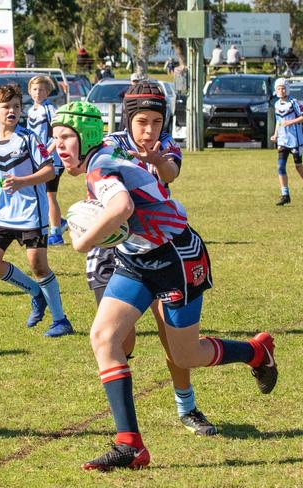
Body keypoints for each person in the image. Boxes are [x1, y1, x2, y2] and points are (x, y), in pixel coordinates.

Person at [52, 101, 278, 470]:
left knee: (187, 355)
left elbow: (122, 206)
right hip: (137, 256)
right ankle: (130, 445)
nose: (57, 146)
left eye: (65, 137)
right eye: (54, 138)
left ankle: (256, 352)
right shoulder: (106, 149)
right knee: (104, 337)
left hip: (177, 258)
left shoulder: (100, 167)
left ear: (85, 136)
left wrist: (82, 240)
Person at [89, 82, 217, 436]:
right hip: (121, 256)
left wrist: (158, 159)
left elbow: (172, 171)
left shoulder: (167, 147)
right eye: (142, 121)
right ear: (129, 118)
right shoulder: (111, 146)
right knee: (117, 338)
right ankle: (122, 411)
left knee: (171, 338)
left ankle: (187, 407)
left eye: (157, 122)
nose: (149, 130)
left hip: (163, 253)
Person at [0, 84, 73, 338]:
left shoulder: (29, 138)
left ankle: (61, 320)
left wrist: (22, 181)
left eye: (17, 106)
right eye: (6, 107)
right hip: (4, 214)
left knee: (38, 266)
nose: (13, 111)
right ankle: (34, 292)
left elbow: (49, 170)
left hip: (32, 213)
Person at [26, 76, 67, 246]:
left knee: (50, 195)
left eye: (41, 89)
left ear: (48, 92)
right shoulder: (31, 110)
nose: (38, 92)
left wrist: (47, 152)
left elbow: (59, 134)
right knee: (40, 195)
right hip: (37, 160)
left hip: (52, 161)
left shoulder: (50, 109)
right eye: (35, 89)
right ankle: (59, 222)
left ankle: (56, 234)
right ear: (30, 91)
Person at [270, 78, 303, 206]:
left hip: (295, 140)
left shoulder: (294, 102)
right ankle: (285, 194)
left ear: (287, 89)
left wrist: (290, 122)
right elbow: (279, 121)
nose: (281, 90)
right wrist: (275, 134)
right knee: (280, 167)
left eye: (283, 88)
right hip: (283, 141)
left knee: (298, 167)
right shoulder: (277, 104)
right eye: (279, 88)